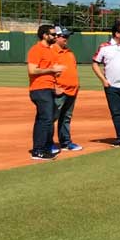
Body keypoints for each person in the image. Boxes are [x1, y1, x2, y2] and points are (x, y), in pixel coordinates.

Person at [27, 23, 63, 160]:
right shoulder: (36, 49)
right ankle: (38, 151)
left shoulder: (50, 50)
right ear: (45, 35)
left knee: (47, 118)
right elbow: (32, 70)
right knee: (46, 119)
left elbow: (49, 70)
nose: (56, 36)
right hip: (39, 89)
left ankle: (45, 147)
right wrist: (52, 70)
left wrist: (55, 79)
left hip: (48, 88)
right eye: (53, 34)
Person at [51, 27, 83, 153]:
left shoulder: (69, 53)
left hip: (72, 90)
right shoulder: (51, 52)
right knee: (51, 118)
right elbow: (46, 72)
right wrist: (54, 86)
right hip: (59, 91)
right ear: (56, 37)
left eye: (67, 36)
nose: (66, 39)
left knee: (66, 118)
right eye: (64, 36)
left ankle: (65, 142)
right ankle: (48, 143)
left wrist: (76, 85)